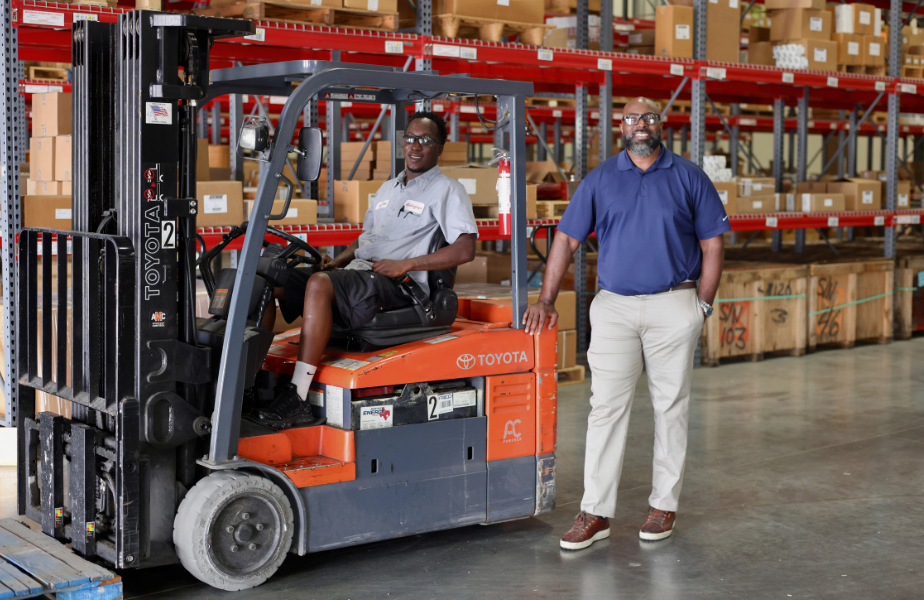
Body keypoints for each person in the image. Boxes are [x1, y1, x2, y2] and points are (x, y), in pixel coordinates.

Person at [523, 97, 729, 548]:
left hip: (674, 304)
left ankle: (663, 505)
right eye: (632, 118)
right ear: (621, 126)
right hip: (614, 307)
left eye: (649, 117)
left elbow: (713, 245)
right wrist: (546, 297)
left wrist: (703, 307)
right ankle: (595, 512)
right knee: (605, 410)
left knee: (670, 407)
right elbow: (566, 239)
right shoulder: (600, 180)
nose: (641, 125)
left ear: (661, 124)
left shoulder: (689, 177)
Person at [257, 111, 478, 429]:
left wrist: (408, 264)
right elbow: (367, 240)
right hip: (362, 274)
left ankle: (298, 395)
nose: (415, 146)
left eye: (426, 140)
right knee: (269, 278)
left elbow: (465, 249)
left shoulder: (448, 190)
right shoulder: (388, 189)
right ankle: (250, 378)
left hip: (401, 285)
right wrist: (339, 260)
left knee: (320, 284)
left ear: (440, 147)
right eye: (411, 138)